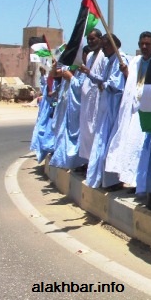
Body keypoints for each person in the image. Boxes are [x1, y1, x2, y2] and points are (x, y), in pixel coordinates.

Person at [106, 32, 151, 198]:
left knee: (143, 150)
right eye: (142, 44)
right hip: (134, 112)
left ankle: (144, 184)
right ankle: (134, 182)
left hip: (148, 112)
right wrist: (125, 73)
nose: (144, 47)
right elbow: (133, 83)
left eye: (147, 44)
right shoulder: (136, 61)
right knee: (132, 147)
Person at [85, 34, 127, 189]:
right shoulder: (110, 61)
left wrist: (105, 85)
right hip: (107, 108)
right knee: (102, 145)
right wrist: (89, 73)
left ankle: (114, 181)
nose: (102, 50)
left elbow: (117, 84)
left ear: (112, 45)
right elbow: (103, 80)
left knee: (112, 147)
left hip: (115, 109)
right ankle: (104, 179)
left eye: (104, 46)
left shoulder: (121, 60)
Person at [50, 46, 90, 170]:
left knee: (75, 136)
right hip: (65, 106)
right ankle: (62, 160)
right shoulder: (70, 67)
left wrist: (71, 78)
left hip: (76, 108)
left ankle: (75, 162)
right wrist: (54, 67)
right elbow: (54, 74)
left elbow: (81, 87)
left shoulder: (85, 70)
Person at [77, 29, 105, 165]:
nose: (90, 41)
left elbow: (103, 79)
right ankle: (87, 163)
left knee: (95, 131)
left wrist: (89, 73)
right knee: (86, 132)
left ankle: (94, 164)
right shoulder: (89, 56)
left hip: (97, 99)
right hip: (87, 100)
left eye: (93, 39)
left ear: (100, 39)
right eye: (88, 39)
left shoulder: (104, 56)